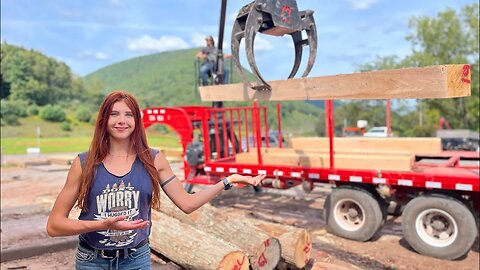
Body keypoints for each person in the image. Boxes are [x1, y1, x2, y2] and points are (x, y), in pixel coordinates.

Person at [46, 90, 265, 269]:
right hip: (93, 261)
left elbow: (187, 204)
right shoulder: (84, 163)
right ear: (104, 120)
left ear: (137, 120)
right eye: (114, 114)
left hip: (135, 260)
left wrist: (228, 180)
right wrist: (101, 225)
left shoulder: (154, 160)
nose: (121, 120)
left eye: (128, 114)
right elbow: (54, 226)